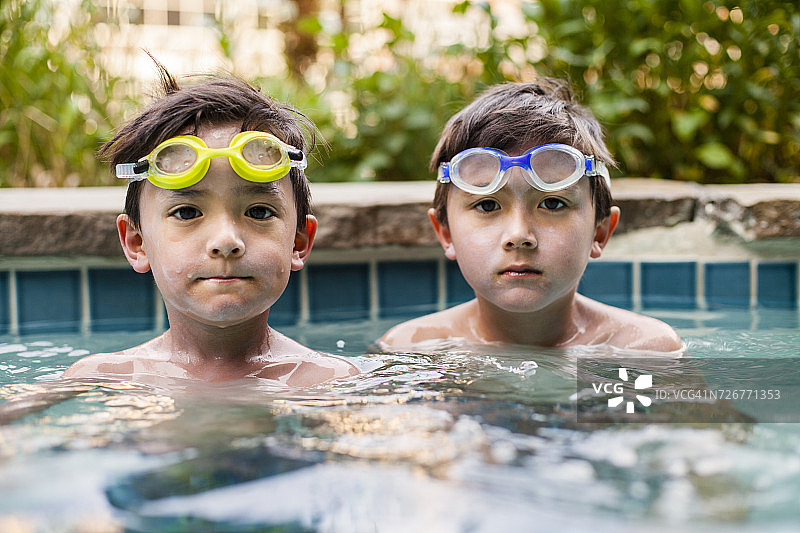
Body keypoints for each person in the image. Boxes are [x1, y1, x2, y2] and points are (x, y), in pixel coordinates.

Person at [63, 65, 358, 386]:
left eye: (259, 212)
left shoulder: (329, 381)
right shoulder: (99, 379)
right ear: (137, 243)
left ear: (299, 242)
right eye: (187, 213)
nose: (226, 240)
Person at [378, 79, 682, 352]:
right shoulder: (411, 349)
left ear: (600, 232)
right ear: (445, 233)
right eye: (487, 205)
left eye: (552, 204)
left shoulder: (646, 351)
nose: (519, 235)